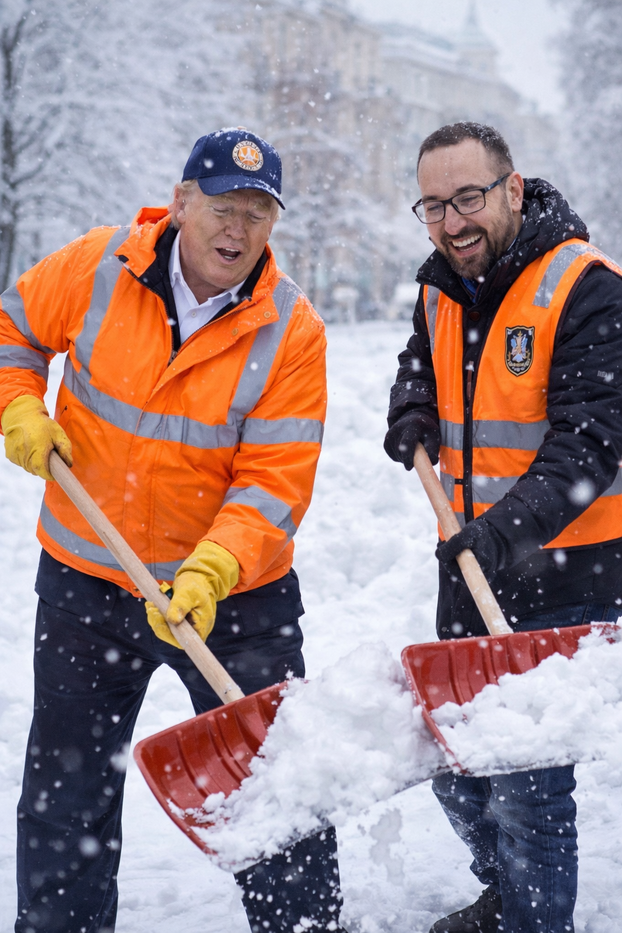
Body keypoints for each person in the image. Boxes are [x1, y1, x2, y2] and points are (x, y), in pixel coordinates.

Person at [0, 128, 344, 933]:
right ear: (182, 201)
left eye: (259, 213)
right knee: (66, 795)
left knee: (277, 791)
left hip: (234, 602)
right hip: (89, 583)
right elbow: (12, 328)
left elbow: (274, 479)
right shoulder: (96, 266)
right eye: (224, 205)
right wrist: (19, 403)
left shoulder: (290, 330)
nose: (239, 229)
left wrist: (213, 569)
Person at [384, 121, 622, 933]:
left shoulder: (588, 287)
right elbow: (424, 355)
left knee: (527, 784)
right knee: (456, 763)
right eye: (433, 205)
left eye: (470, 198)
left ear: (514, 189)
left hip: (569, 572)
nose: (453, 222)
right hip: (471, 562)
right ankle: (508, 895)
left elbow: (589, 445)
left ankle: (531, 919)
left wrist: (501, 532)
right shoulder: (440, 284)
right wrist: (413, 401)